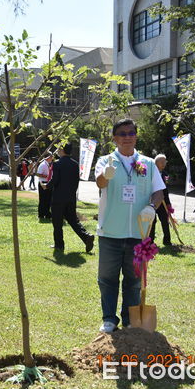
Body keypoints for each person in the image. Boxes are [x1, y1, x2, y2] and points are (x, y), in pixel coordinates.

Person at [94, 118, 165, 332]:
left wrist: (152, 207)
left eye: (131, 133)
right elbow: (100, 182)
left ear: (136, 136)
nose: (127, 137)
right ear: (115, 138)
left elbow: (158, 191)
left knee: (134, 281)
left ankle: (130, 320)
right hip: (110, 232)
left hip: (138, 233)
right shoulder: (106, 161)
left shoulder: (148, 163)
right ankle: (109, 319)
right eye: (122, 134)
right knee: (107, 279)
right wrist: (106, 176)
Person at [49, 143, 95, 252]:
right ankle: (86, 236)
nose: (58, 151)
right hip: (70, 197)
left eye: (59, 149)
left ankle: (59, 245)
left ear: (63, 150)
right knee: (73, 220)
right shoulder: (75, 164)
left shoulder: (57, 164)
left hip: (58, 198)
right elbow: (75, 182)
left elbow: (55, 180)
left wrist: (46, 186)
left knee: (57, 222)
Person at [149, 154, 172, 246]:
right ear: (156, 163)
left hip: (162, 202)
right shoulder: (150, 173)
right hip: (152, 201)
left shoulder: (165, 174)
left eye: (165, 162)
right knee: (152, 221)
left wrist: (168, 203)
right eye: (162, 162)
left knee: (165, 221)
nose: (164, 164)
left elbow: (165, 190)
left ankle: (167, 241)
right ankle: (150, 241)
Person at [36, 154, 53, 221]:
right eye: (51, 156)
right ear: (48, 157)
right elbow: (38, 174)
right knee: (43, 199)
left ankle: (47, 213)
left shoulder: (48, 164)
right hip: (43, 183)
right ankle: (41, 214)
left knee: (48, 199)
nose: (52, 158)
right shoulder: (43, 164)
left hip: (47, 183)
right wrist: (47, 176)